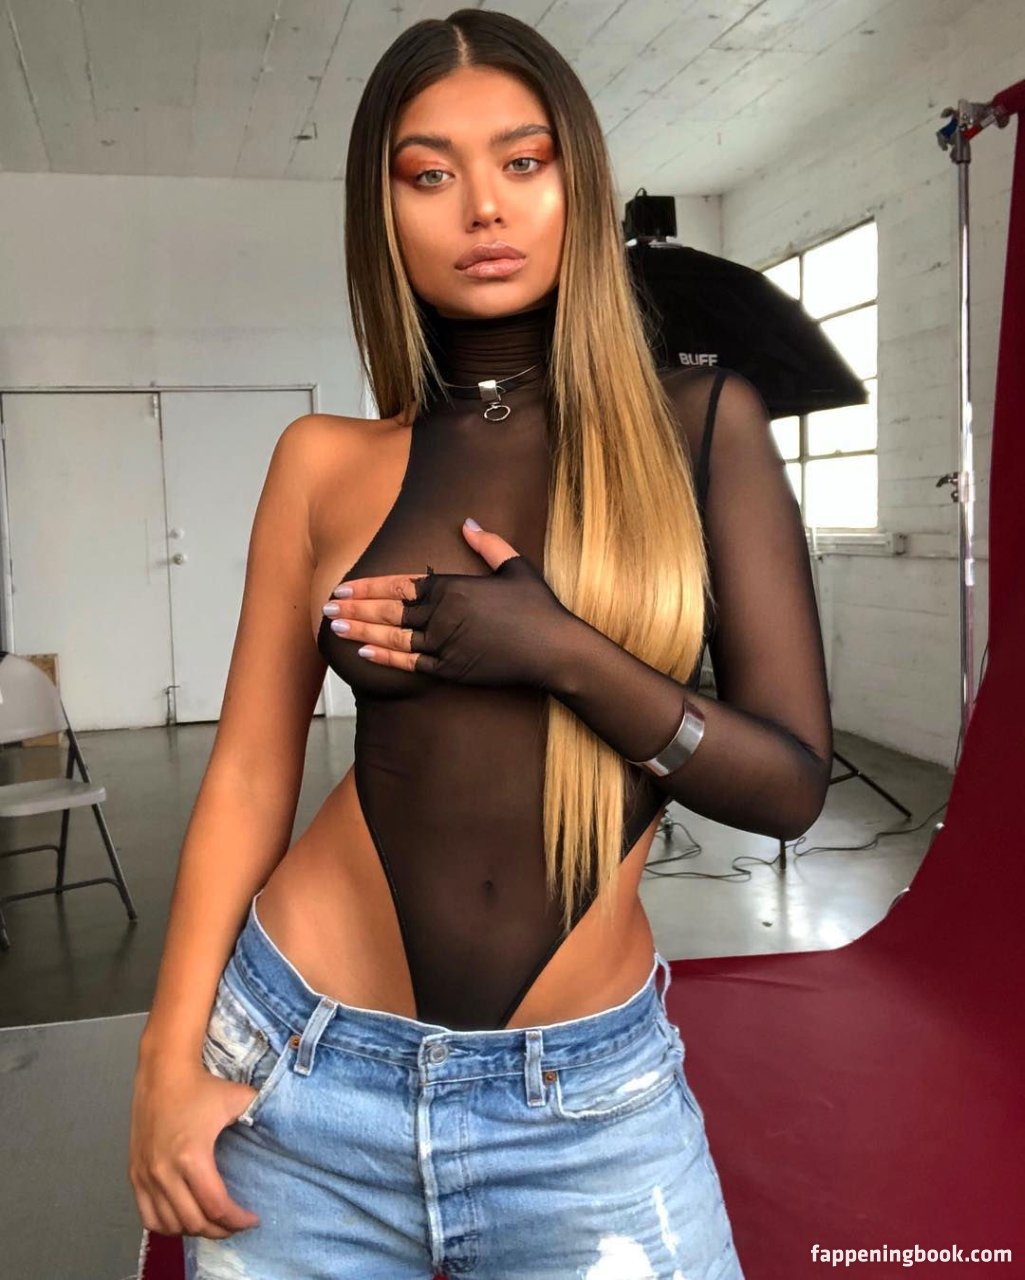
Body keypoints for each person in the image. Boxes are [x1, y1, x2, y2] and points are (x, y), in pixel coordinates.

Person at [129, 10, 832, 1278]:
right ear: (384, 213)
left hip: (588, 1110)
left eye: (521, 160)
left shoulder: (700, 425)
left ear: (576, 184)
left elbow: (786, 787)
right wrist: (163, 1059)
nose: (483, 207)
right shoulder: (323, 462)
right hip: (297, 1071)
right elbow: (246, 773)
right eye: (428, 173)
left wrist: (560, 649)